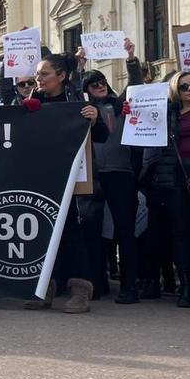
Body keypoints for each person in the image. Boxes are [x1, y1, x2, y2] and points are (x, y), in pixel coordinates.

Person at [22, 52, 106, 314]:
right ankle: (44, 288)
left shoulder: (78, 100)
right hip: (42, 177)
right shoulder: (30, 101)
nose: (39, 78)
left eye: (44, 74)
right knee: (44, 231)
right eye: (37, 74)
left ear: (61, 76)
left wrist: (95, 118)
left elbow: (102, 136)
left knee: (72, 233)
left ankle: (80, 292)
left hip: (73, 180)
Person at [141, 70, 190, 308]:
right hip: (175, 176)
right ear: (176, 90)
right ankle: (187, 286)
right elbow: (141, 113)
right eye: (184, 86)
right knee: (181, 233)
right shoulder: (168, 113)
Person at [80, 39, 143, 303]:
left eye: (102, 81)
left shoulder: (120, 105)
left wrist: (131, 59)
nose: (99, 85)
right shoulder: (82, 110)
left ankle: (130, 286)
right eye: (93, 83)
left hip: (120, 172)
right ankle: (97, 284)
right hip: (93, 175)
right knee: (92, 231)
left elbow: (136, 86)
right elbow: (71, 90)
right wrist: (79, 65)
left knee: (125, 230)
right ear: (86, 90)